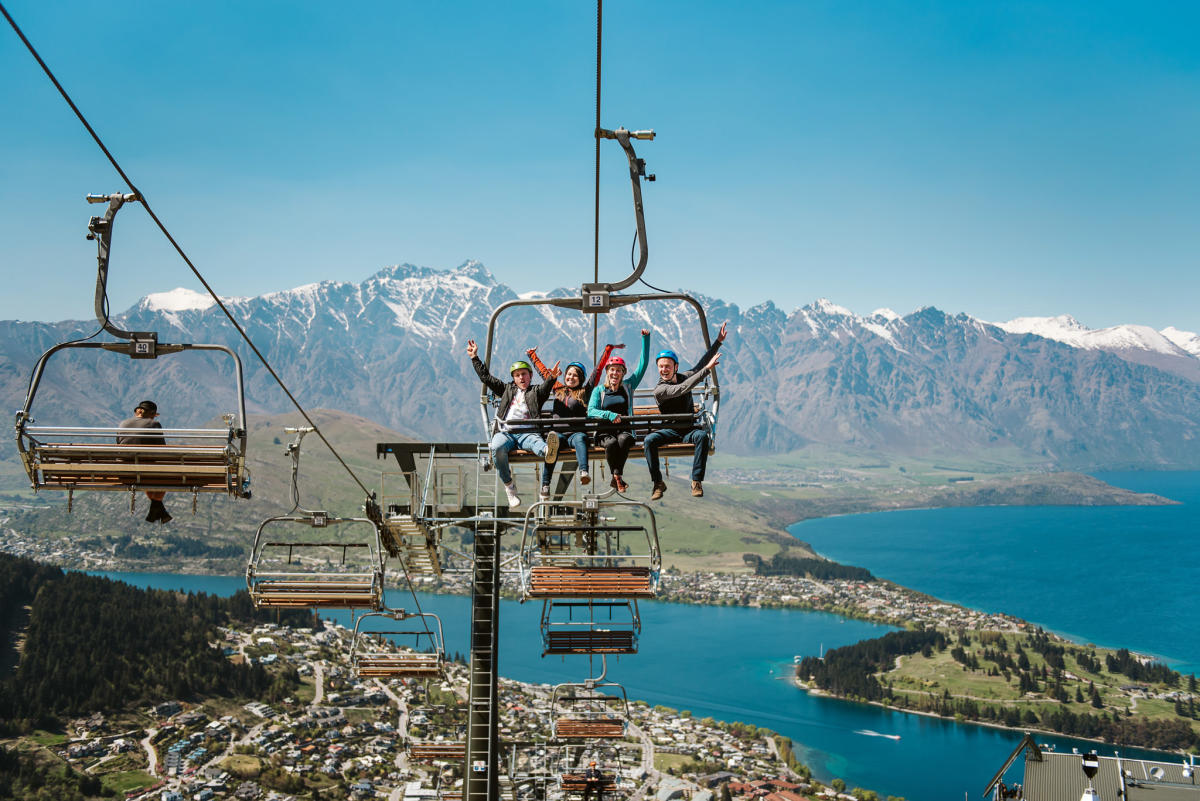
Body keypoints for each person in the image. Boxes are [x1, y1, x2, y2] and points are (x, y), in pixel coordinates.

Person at [467, 339, 559, 508]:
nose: (521, 377)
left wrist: (552, 378)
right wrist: (475, 358)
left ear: (530, 376)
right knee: (496, 447)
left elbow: (546, 388)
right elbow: (486, 378)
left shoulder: (536, 392)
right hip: (507, 432)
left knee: (536, 443)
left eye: (524, 374)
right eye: (517, 375)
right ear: (513, 379)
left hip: (528, 432)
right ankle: (509, 487)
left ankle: (548, 450)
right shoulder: (507, 390)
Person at [526, 343, 621, 499]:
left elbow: (597, 372)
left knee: (581, 438)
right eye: (569, 374)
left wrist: (608, 351)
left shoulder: (585, 392)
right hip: (558, 434)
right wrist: (532, 355)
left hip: (575, 433)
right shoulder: (558, 388)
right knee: (552, 447)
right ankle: (545, 485)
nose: (571, 377)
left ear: (581, 378)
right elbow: (544, 372)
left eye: (575, 375)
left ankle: (584, 471)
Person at [645, 321, 728, 499]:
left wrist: (718, 342)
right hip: (669, 430)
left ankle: (696, 481)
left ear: (675, 367)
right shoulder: (660, 390)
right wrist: (707, 370)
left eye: (667, 366)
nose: (664, 370)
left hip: (688, 429)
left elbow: (701, 364)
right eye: (661, 366)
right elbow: (682, 389)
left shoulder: (685, 376)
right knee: (650, 440)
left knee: (702, 437)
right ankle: (658, 483)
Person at [586, 329, 650, 493]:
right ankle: (618, 477)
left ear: (623, 373)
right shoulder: (599, 391)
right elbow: (591, 411)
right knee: (612, 443)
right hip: (604, 432)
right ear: (607, 371)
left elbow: (642, 365)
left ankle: (616, 477)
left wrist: (645, 339)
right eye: (612, 369)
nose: (615, 373)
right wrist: (608, 415)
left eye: (619, 370)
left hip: (625, 430)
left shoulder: (628, 387)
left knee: (622, 441)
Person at [117, 400, 172, 523]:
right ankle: (156, 508)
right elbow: (161, 450)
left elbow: (119, 444)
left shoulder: (122, 423)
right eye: (153, 415)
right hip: (145, 472)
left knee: (149, 468)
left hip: (124, 472)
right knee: (164, 472)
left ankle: (157, 511)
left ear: (138, 412)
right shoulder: (154, 424)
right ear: (150, 413)